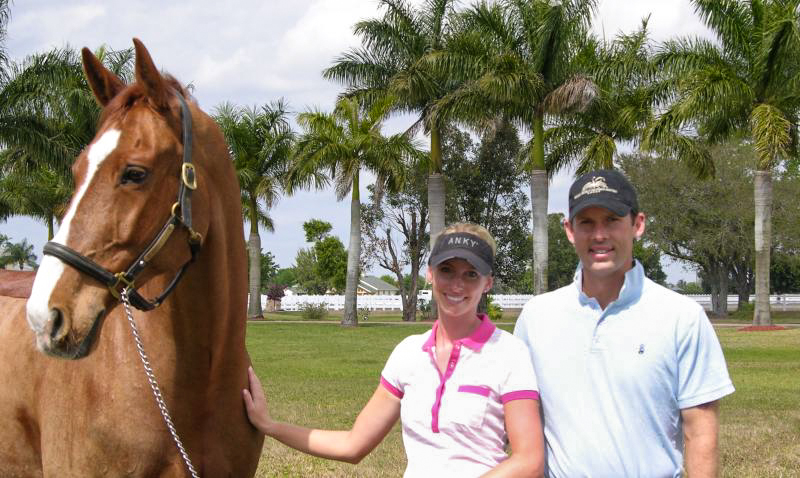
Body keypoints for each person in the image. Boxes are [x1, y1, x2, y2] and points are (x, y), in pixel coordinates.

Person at [243, 223, 544, 477]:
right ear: (430, 274)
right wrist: (271, 426)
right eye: (447, 270)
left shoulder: (509, 353)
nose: (456, 284)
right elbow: (353, 445)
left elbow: (529, 460)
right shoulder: (409, 353)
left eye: (471, 274)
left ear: (488, 282)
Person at [514, 169, 735, 478]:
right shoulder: (536, 317)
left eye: (612, 220)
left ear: (638, 224)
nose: (599, 235)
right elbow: (523, 429)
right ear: (569, 230)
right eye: (586, 222)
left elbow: (700, 433)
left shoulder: (681, 316)